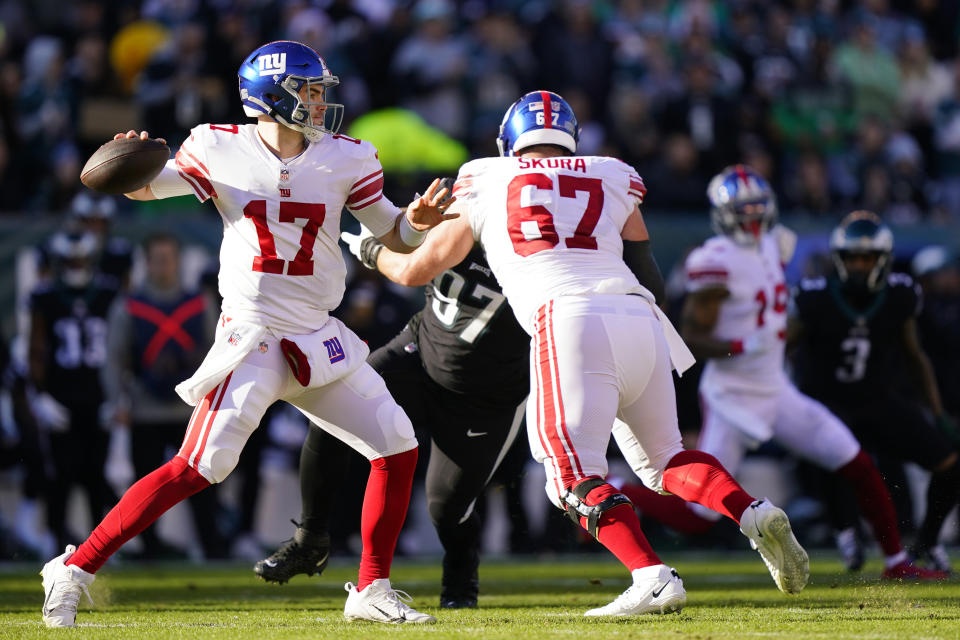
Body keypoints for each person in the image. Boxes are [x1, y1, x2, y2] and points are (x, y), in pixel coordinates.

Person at [39, 40, 456, 627]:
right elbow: (142, 187)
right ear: (272, 96)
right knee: (200, 465)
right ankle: (74, 568)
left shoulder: (348, 157)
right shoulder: (218, 145)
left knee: (396, 444)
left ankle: (371, 590)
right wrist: (124, 163)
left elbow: (397, 239)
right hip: (254, 334)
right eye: (309, 90)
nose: (319, 101)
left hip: (316, 335)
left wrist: (415, 225)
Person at [353, 90, 810, 617]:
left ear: (509, 142)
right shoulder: (611, 173)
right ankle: (752, 512)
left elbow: (414, 270)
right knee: (665, 462)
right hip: (639, 316)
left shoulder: (484, 178)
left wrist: (368, 248)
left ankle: (650, 575)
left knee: (567, 476)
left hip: (566, 318)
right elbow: (652, 278)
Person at [623, 168, 944, 581]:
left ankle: (895, 562)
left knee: (856, 461)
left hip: (776, 389)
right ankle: (622, 488)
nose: (752, 218)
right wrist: (739, 345)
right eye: (742, 211)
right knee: (700, 514)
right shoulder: (714, 260)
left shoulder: (776, 244)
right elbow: (690, 337)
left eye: (757, 208)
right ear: (724, 214)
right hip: (732, 397)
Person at [256, 224, 531, 608]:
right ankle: (310, 538)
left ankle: (460, 583)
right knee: (331, 413)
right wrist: (403, 227)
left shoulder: (543, 250)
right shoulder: (466, 214)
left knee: (446, 508)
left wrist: (372, 249)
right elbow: (407, 244)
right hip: (419, 353)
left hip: (486, 396)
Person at [791, 211, 960, 573]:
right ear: (839, 259)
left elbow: (916, 358)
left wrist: (937, 413)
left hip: (880, 400)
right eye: (852, 258)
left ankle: (927, 542)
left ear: (882, 260)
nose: (859, 266)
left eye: (867, 258)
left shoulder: (899, 294)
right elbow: (781, 350)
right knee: (834, 457)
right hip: (830, 405)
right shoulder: (815, 298)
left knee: (949, 464)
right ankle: (845, 530)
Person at [100, 232, 228, 560]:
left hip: (191, 412)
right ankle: (150, 548)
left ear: (179, 261)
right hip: (146, 409)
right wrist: (118, 401)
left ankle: (211, 547)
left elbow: (219, 349)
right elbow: (114, 358)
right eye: (158, 259)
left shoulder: (200, 302)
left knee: (203, 484)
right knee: (146, 488)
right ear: (147, 262)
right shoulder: (129, 305)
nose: (164, 265)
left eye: (169, 258)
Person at [28, 230, 119, 553]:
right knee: (61, 478)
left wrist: (117, 395)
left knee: (96, 476)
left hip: (98, 397)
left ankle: (99, 550)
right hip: (60, 398)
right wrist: (40, 395)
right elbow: (36, 347)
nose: (76, 266)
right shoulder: (45, 297)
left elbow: (121, 348)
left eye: (81, 260)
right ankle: (54, 545)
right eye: (70, 260)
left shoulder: (109, 294)